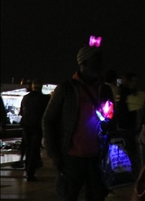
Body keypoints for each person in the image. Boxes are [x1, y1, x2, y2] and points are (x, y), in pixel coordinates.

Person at [43, 45, 115, 201]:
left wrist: (109, 122)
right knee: (70, 195)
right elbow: (49, 120)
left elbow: (111, 118)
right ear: (84, 63)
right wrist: (54, 155)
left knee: (96, 196)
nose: (101, 64)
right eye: (97, 59)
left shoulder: (104, 90)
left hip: (98, 157)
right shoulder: (66, 88)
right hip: (72, 157)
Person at [20, 79, 50, 181]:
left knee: (28, 148)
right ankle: (30, 172)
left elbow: (22, 112)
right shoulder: (44, 99)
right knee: (34, 149)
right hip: (37, 127)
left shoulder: (25, 98)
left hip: (26, 126)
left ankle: (27, 166)